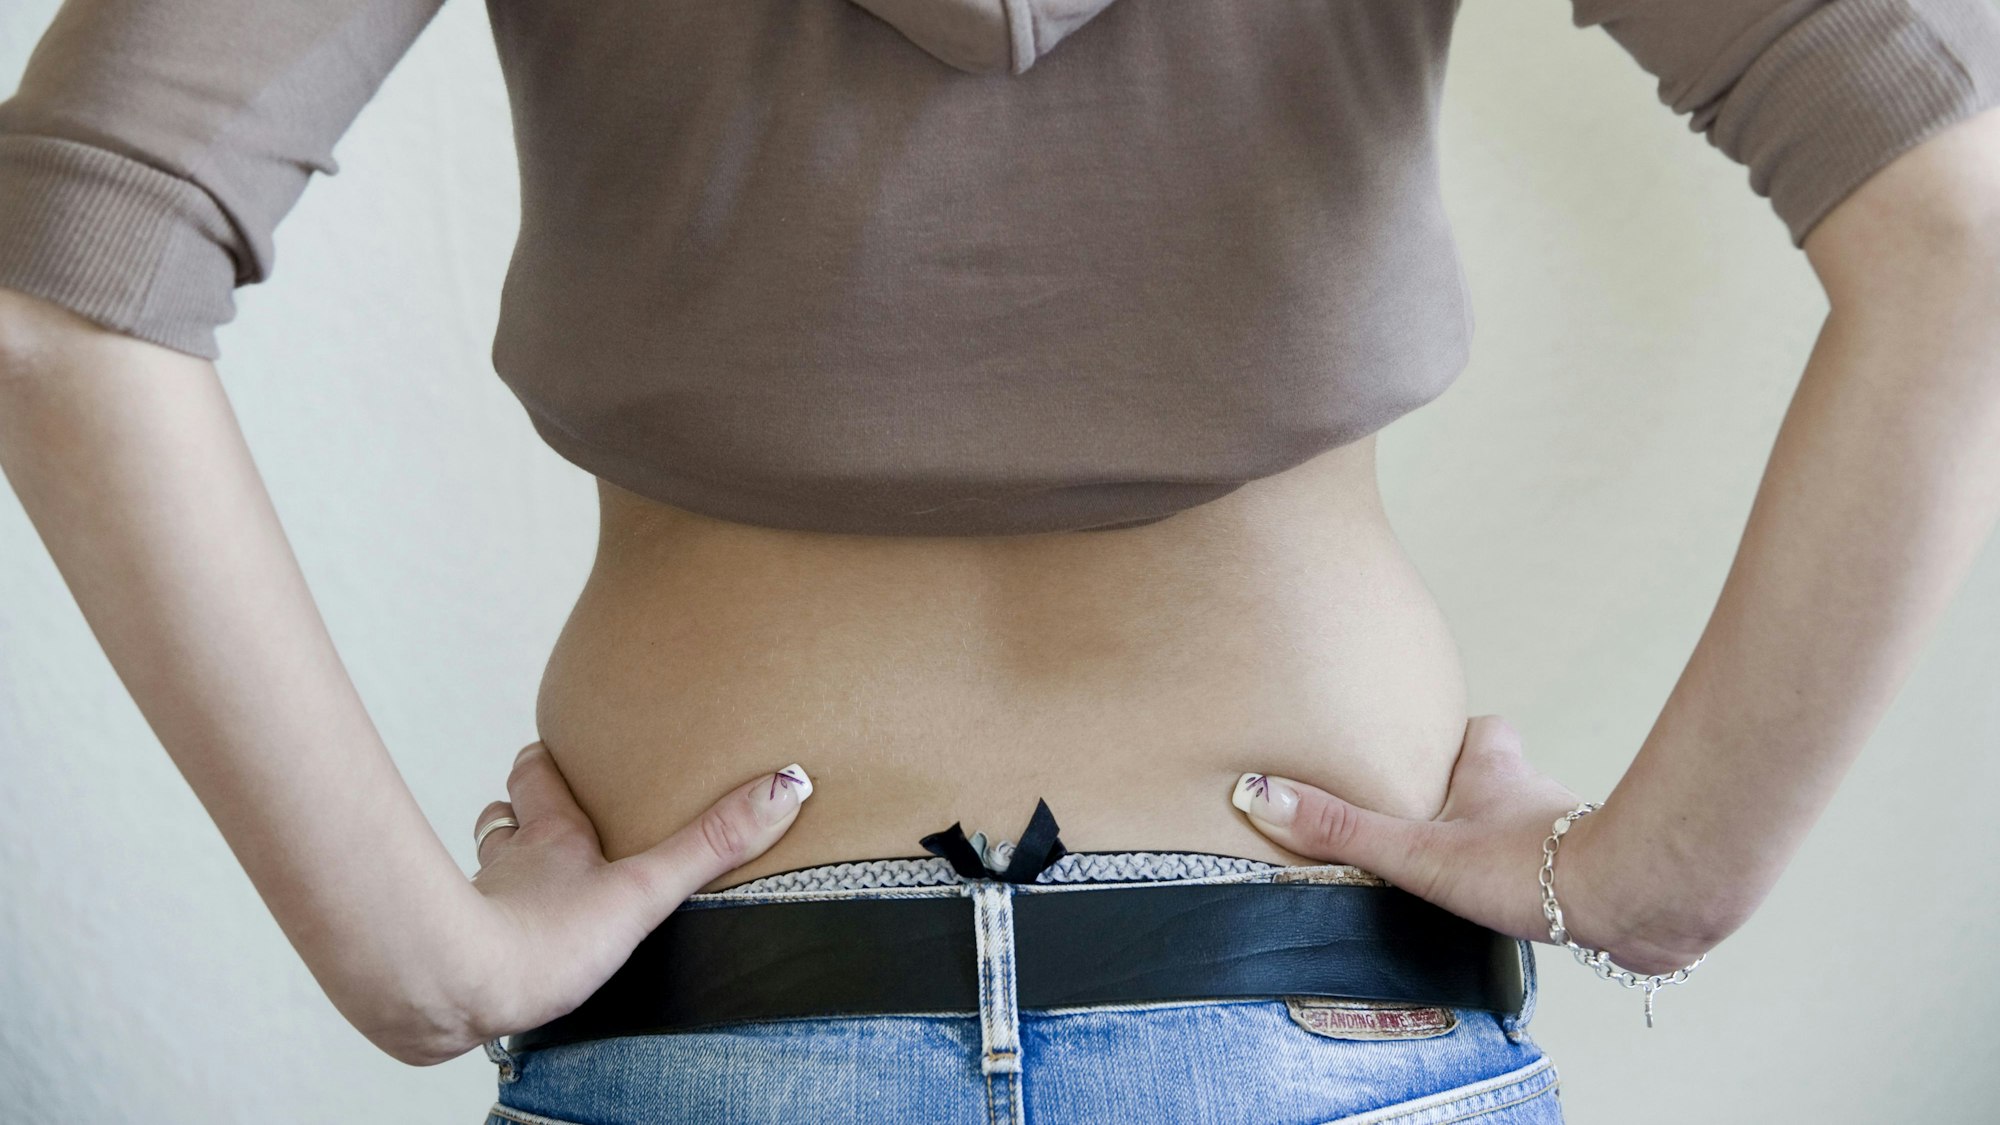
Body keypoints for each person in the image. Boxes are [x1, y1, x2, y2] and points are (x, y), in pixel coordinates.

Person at [3, 1, 2000, 1121]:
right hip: (1319, 1028)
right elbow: (1956, 231)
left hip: (727, 1032)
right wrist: (1653, 876)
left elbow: (57, 302)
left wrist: (416, 960)